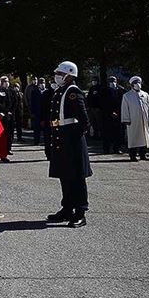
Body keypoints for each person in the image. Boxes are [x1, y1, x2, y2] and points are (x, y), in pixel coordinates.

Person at [46, 61, 91, 228]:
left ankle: (80, 212)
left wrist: (73, 138)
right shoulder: (60, 91)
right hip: (61, 138)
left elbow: (84, 121)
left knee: (77, 178)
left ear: (69, 75)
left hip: (72, 140)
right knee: (65, 176)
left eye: (59, 73)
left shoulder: (73, 91)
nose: (56, 75)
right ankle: (67, 209)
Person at [121, 76, 149, 162]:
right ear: (131, 85)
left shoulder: (145, 94)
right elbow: (125, 108)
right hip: (133, 120)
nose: (137, 84)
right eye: (135, 83)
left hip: (144, 120)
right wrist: (126, 119)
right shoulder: (127, 96)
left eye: (138, 82)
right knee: (134, 137)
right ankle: (132, 155)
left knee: (144, 137)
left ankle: (143, 154)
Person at [100, 76, 124, 154]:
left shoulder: (120, 91)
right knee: (107, 133)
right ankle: (106, 149)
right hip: (107, 115)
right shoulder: (104, 91)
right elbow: (103, 103)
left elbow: (122, 103)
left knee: (118, 133)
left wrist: (117, 112)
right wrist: (110, 112)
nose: (112, 82)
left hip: (118, 114)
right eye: (111, 81)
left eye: (114, 81)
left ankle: (116, 148)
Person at [29, 78, 45, 145]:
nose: (42, 84)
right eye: (41, 82)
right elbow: (32, 102)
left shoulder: (46, 91)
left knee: (46, 128)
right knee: (36, 128)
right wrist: (32, 112)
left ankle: (45, 141)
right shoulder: (34, 91)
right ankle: (36, 141)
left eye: (43, 82)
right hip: (37, 112)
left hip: (45, 112)